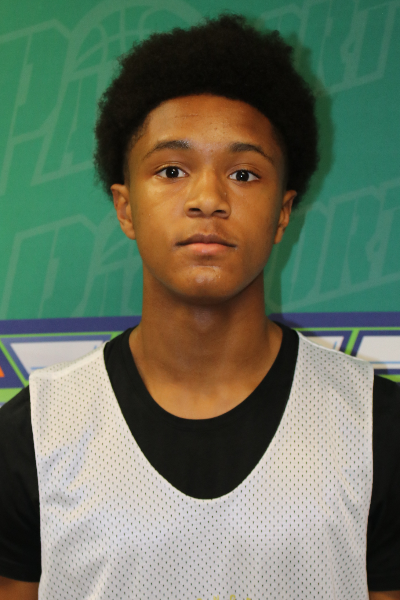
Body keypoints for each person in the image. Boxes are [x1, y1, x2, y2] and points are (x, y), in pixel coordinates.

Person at [0, 14, 399, 600]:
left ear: (283, 212)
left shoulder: (376, 427)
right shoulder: (34, 434)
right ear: (126, 207)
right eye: (171, 170)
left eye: (244, 173)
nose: (208, 198)